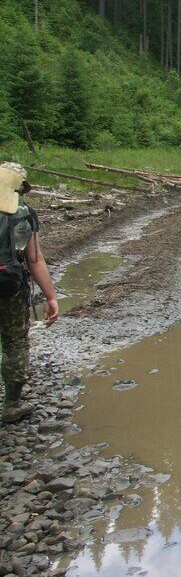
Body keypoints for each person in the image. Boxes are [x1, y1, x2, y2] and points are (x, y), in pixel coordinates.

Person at [0, 163, 58, 424]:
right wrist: (51, 297)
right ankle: (12, 403)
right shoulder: (24, 215)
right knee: (14, 342)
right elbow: (34, 259)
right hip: (10, 288)